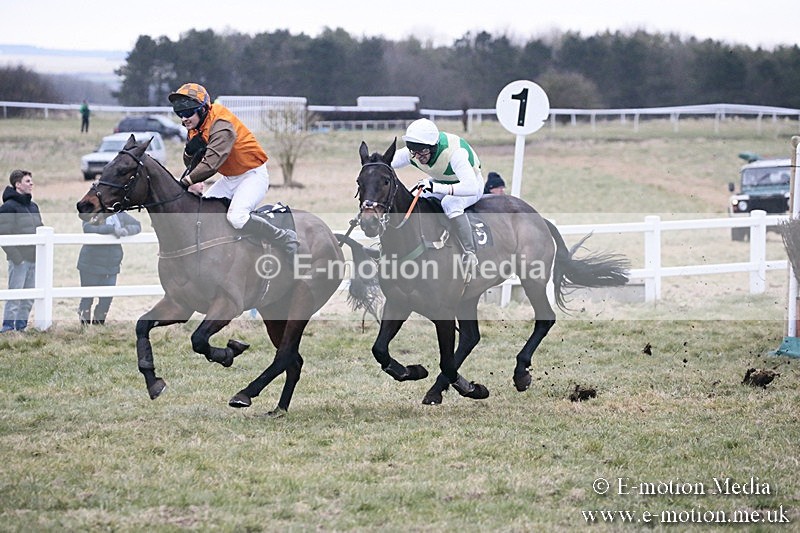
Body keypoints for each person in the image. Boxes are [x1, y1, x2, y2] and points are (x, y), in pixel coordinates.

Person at [167, 83, 297, 256]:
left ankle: (283, 236)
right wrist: (189, 151)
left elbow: (212, 164)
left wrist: (185, 183)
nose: (184, 118)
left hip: (253, 175)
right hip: (231, 178)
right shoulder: (195, 127)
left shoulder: (221, 124)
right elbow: (192, 165)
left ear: (203, 109)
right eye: (180, 114)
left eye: (188, 112)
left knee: (237, 218)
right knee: (202, 216)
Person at [391, 118, 483, 270]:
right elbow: (385, 161)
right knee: (414, 200)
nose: (418, 157)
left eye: (423, 152)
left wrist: (436, 187)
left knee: (450, 203)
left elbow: (471, 187)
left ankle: (470, 253)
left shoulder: (455, 153)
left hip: (471, 184)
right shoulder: (414, 152)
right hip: (442, 181)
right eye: (414, 151)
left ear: (433, 147)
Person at [77, 212, 141, 325]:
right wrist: (111, 229)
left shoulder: (120, 214)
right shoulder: (94, 213)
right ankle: (84, 328)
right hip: (91, 263)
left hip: (111, 264)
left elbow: (137, 225)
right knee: (87, 298)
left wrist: (125, 230)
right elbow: (88, 228)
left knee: (107, 299)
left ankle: (98, 326)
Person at [0, 170, 43, 332]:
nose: (31, 183)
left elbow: (40, 228)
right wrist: (17, 258)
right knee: (15, 295)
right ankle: (8, 328)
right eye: (27, 181)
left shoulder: (33, 206)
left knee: (29, 297)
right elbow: (3, 233)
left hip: (34, 258)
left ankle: (21, 327)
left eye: (31, 181)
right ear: (18, 185)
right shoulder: (8, 207)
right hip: (19, 260)